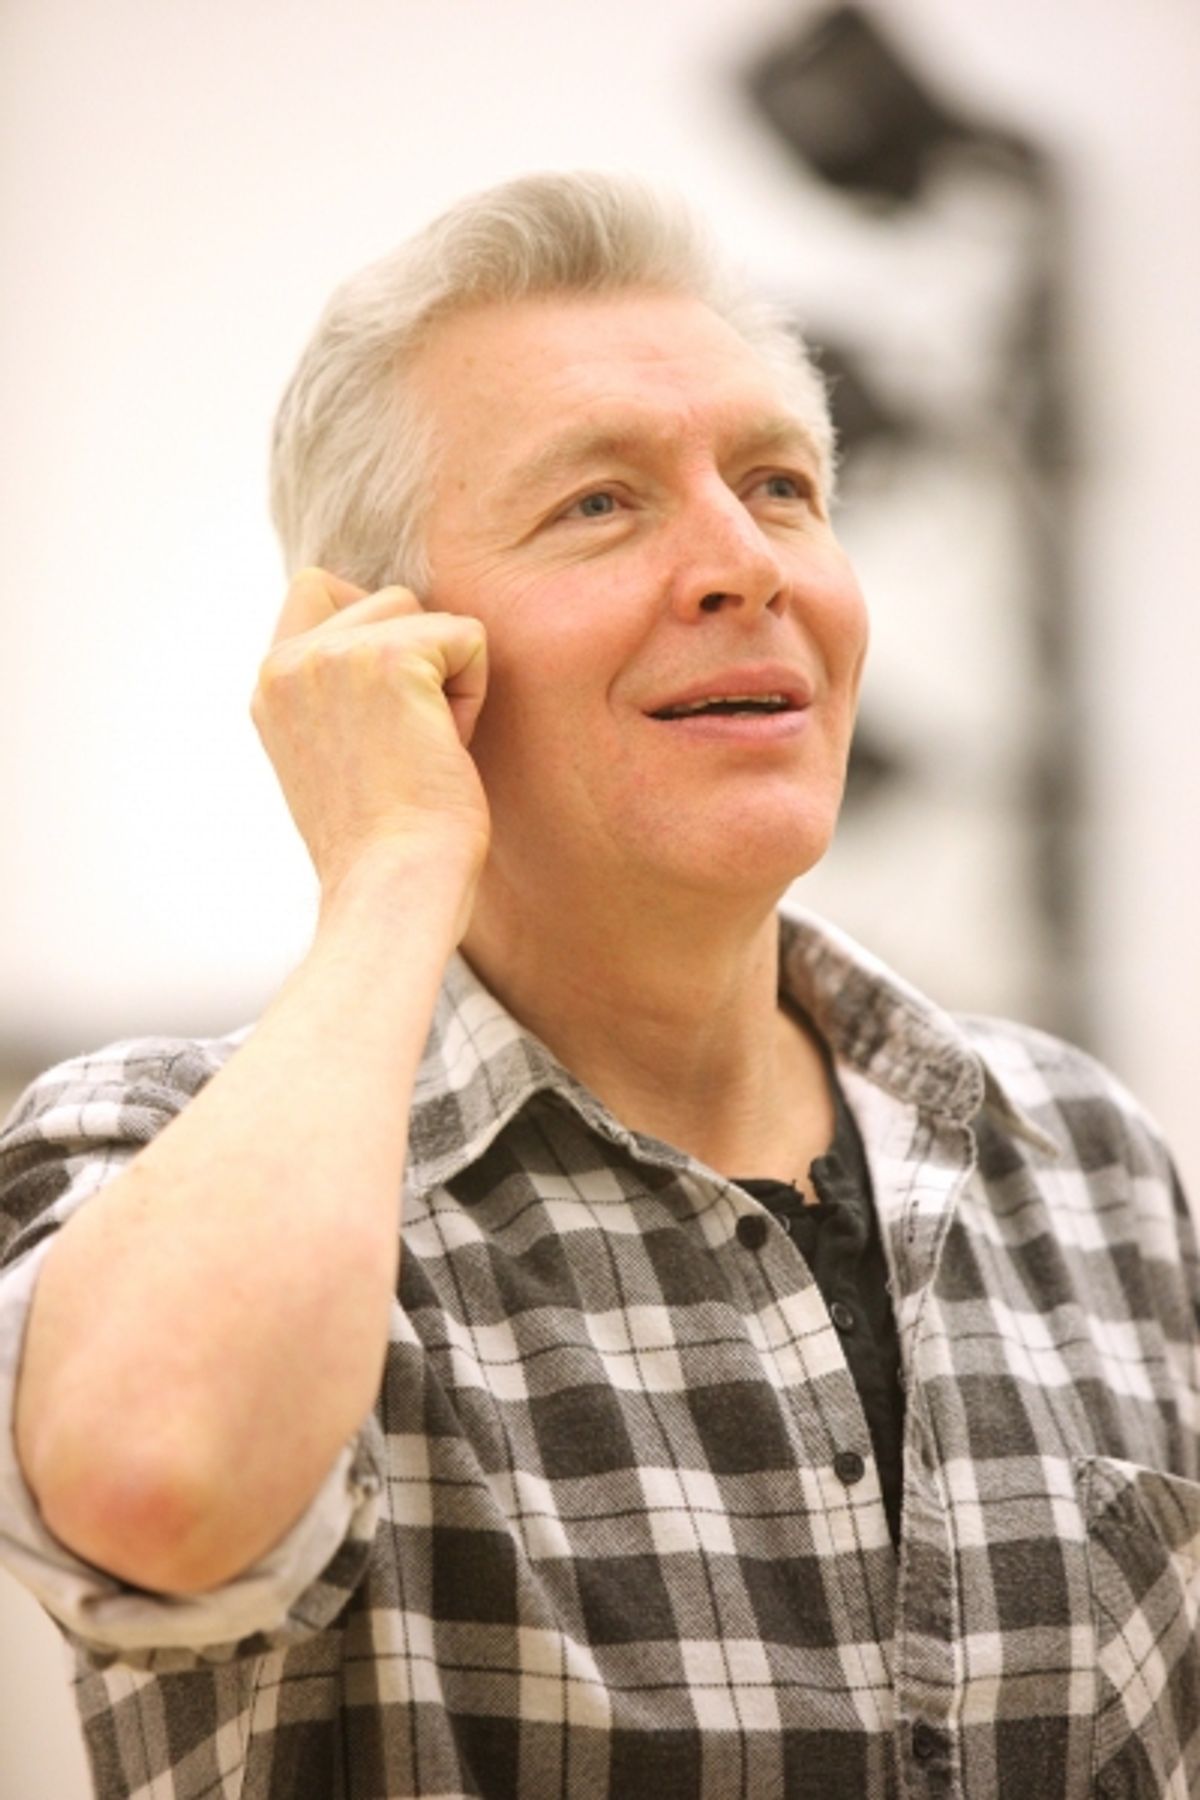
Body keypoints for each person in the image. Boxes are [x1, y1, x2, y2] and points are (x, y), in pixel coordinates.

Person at [0, 171, 1196, 1800]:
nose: (741, 565)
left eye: (779, 487)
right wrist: (387, 864)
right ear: (385, 649)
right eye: (599, 505)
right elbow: (158, 1489)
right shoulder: (155, 1147)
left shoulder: (1082, 1154)